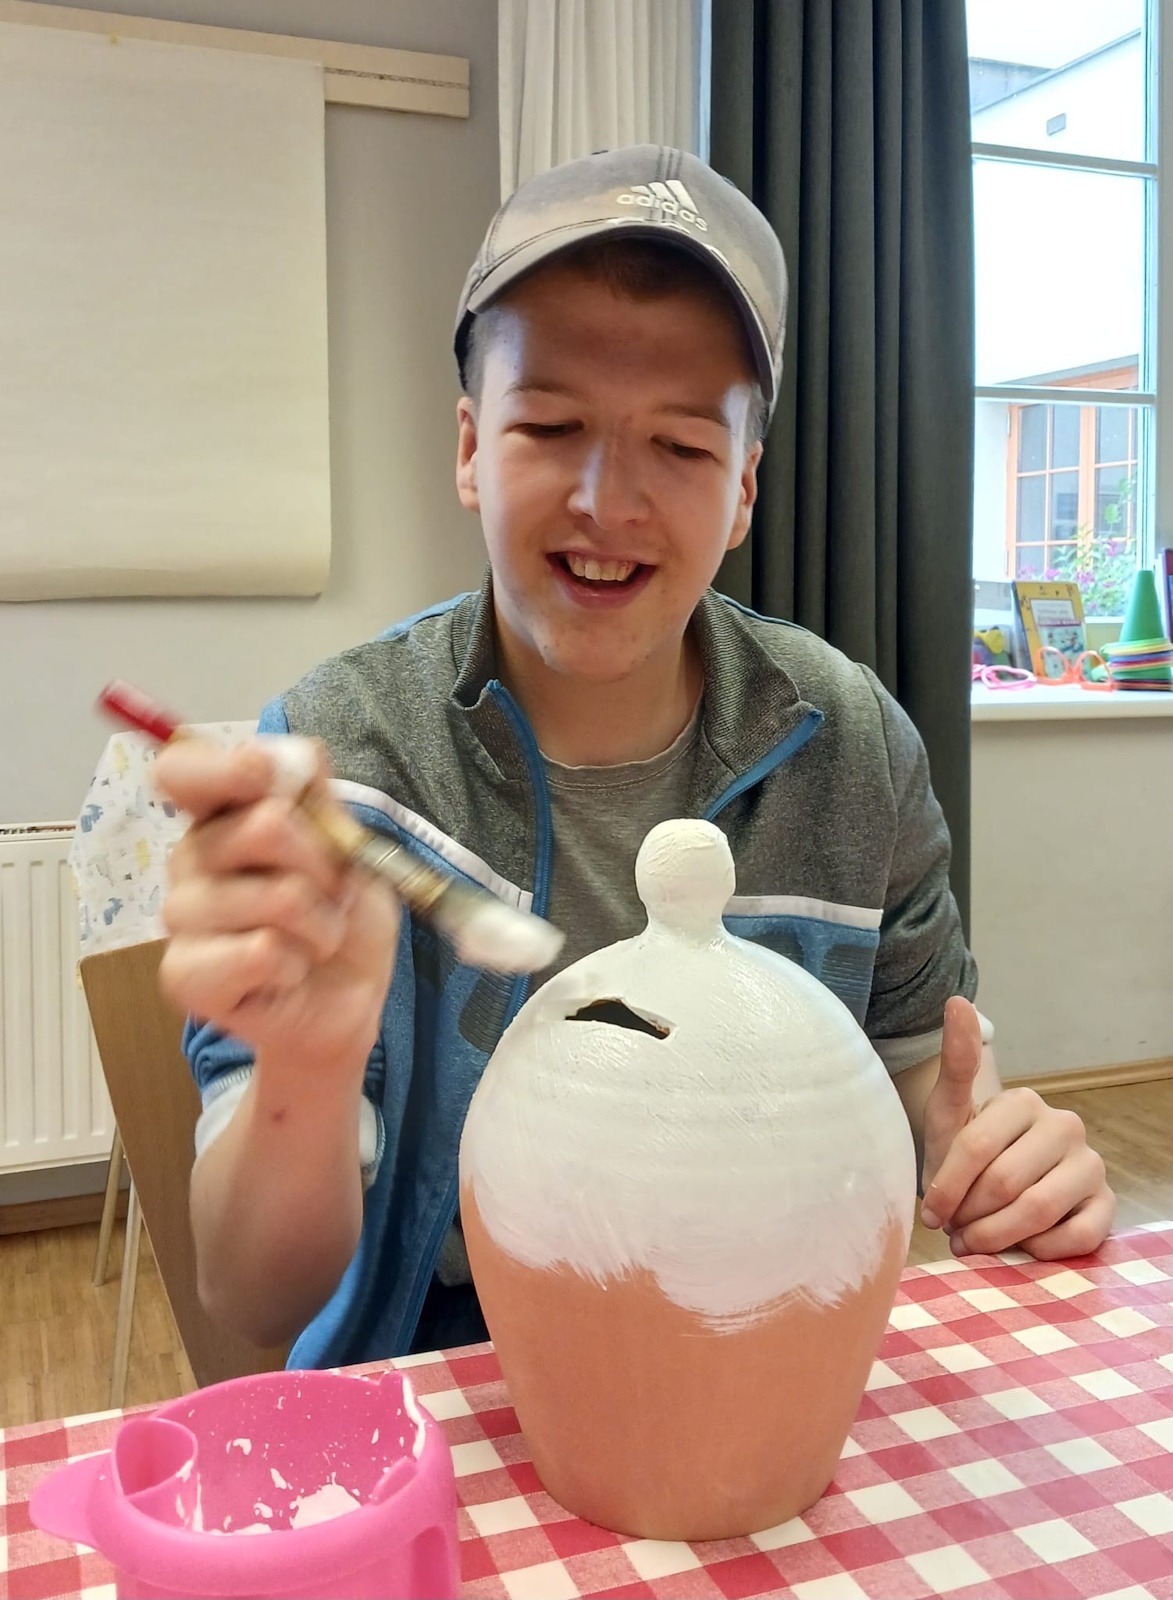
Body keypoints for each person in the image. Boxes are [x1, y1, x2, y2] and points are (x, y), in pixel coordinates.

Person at [153, 147, 1114, 1368]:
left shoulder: (851, 748)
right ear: (470, 447)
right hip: (443, 1397)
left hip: (759, 1374)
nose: (608, 502)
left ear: (745, 487)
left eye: (681, 447)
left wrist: (1005, 1165)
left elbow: (928, 1098)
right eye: (552, 426)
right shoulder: (346, 764)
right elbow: (258, 1298)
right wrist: (308, 1059)